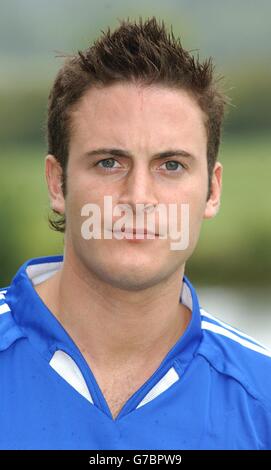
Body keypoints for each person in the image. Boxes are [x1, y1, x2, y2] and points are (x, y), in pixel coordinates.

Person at [1, 16, 271, 451]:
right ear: (57, 182)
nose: (138, 197)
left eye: (171, 165)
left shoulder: (261, 398)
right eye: (109, 162)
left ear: (212, 190)